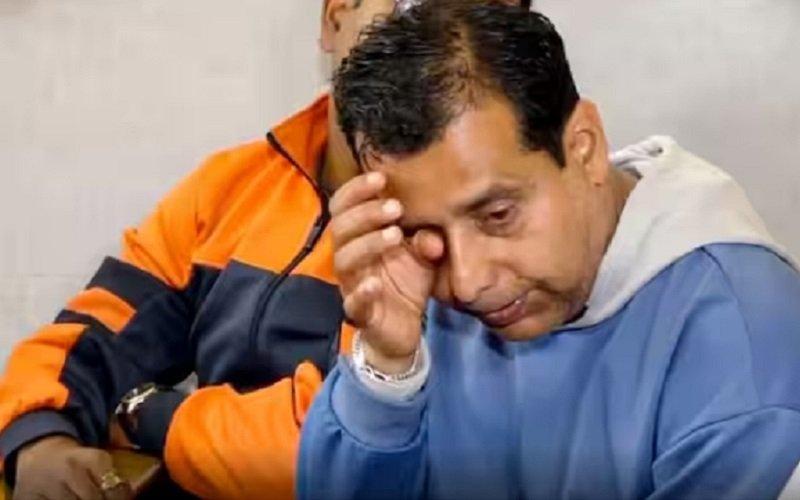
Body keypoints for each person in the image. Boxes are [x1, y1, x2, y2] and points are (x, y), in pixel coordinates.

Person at [0, 1, 533, 499]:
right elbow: (89, 337)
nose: (448, 51)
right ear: (335, 17)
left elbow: (336, 442)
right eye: (419, 11)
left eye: (486, 27)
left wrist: (147, 415)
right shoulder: (231, 187)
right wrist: (37, 439)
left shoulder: (492, 232)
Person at [298, 2, 800, 499]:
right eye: (421, 231)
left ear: (584, 146)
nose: (467, 282)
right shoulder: (421, 279)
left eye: (498, 215)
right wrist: (387, 368)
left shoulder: (742, 346)